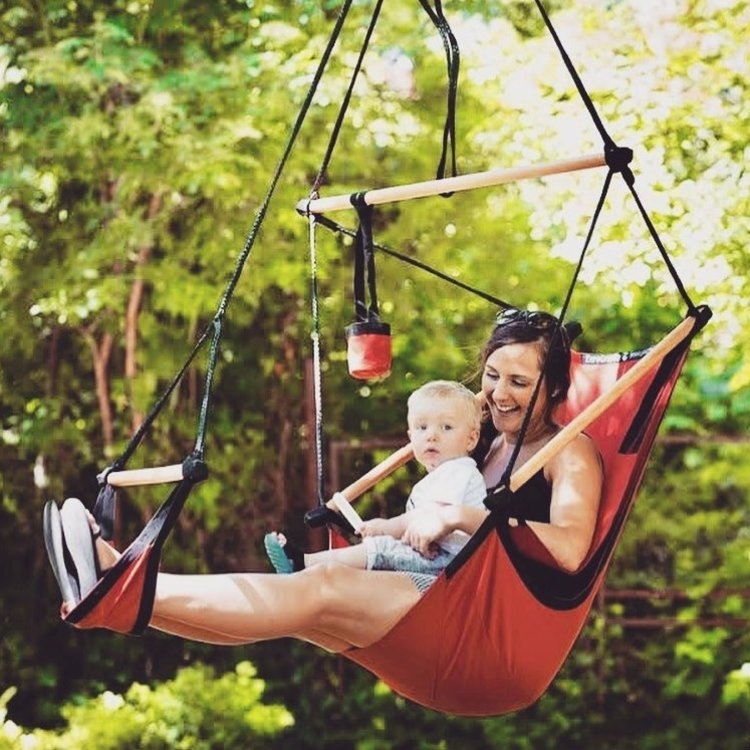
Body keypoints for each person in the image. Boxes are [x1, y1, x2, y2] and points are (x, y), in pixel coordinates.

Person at [50, 308, 603, 652]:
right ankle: (116, 593)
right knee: (301, 597)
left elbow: (572, 551)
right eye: (491, 375)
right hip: (440, 596)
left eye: (520, 382)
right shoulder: (483, 437)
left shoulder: (567, 451)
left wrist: (455, 515)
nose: (500, 392)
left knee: (318, 589)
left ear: (555, 388)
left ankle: (115, 575)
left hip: (480, 623)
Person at [263, 380, 487, 591]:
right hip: (438, 560)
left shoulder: (458, 470)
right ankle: (316, 574)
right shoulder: (440, 476)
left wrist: (384, 527)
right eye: (421, 428)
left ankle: (304, 563)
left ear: (471, 439)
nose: (432, 436)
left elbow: (430, 517)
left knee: (379, 549)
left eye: (446, 427)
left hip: (451, 566)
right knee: (379, 553)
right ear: (410, 436)